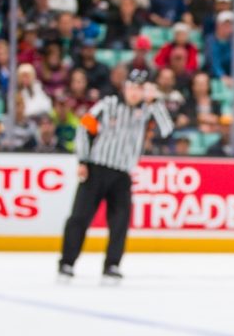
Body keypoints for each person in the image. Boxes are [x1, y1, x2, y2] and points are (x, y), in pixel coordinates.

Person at [58, 69, 174, 283]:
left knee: (120, 222)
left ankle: (112, 265)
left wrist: (156, 102)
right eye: (132, 87)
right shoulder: (108, 104)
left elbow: (167, 130)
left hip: (122, 174)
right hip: (96, 169)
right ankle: (67, 262)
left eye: (139, 88)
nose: (134, 92)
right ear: (125, 87)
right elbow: (84, 127)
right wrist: (83, 159)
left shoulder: (147, 110)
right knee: (80, 217)